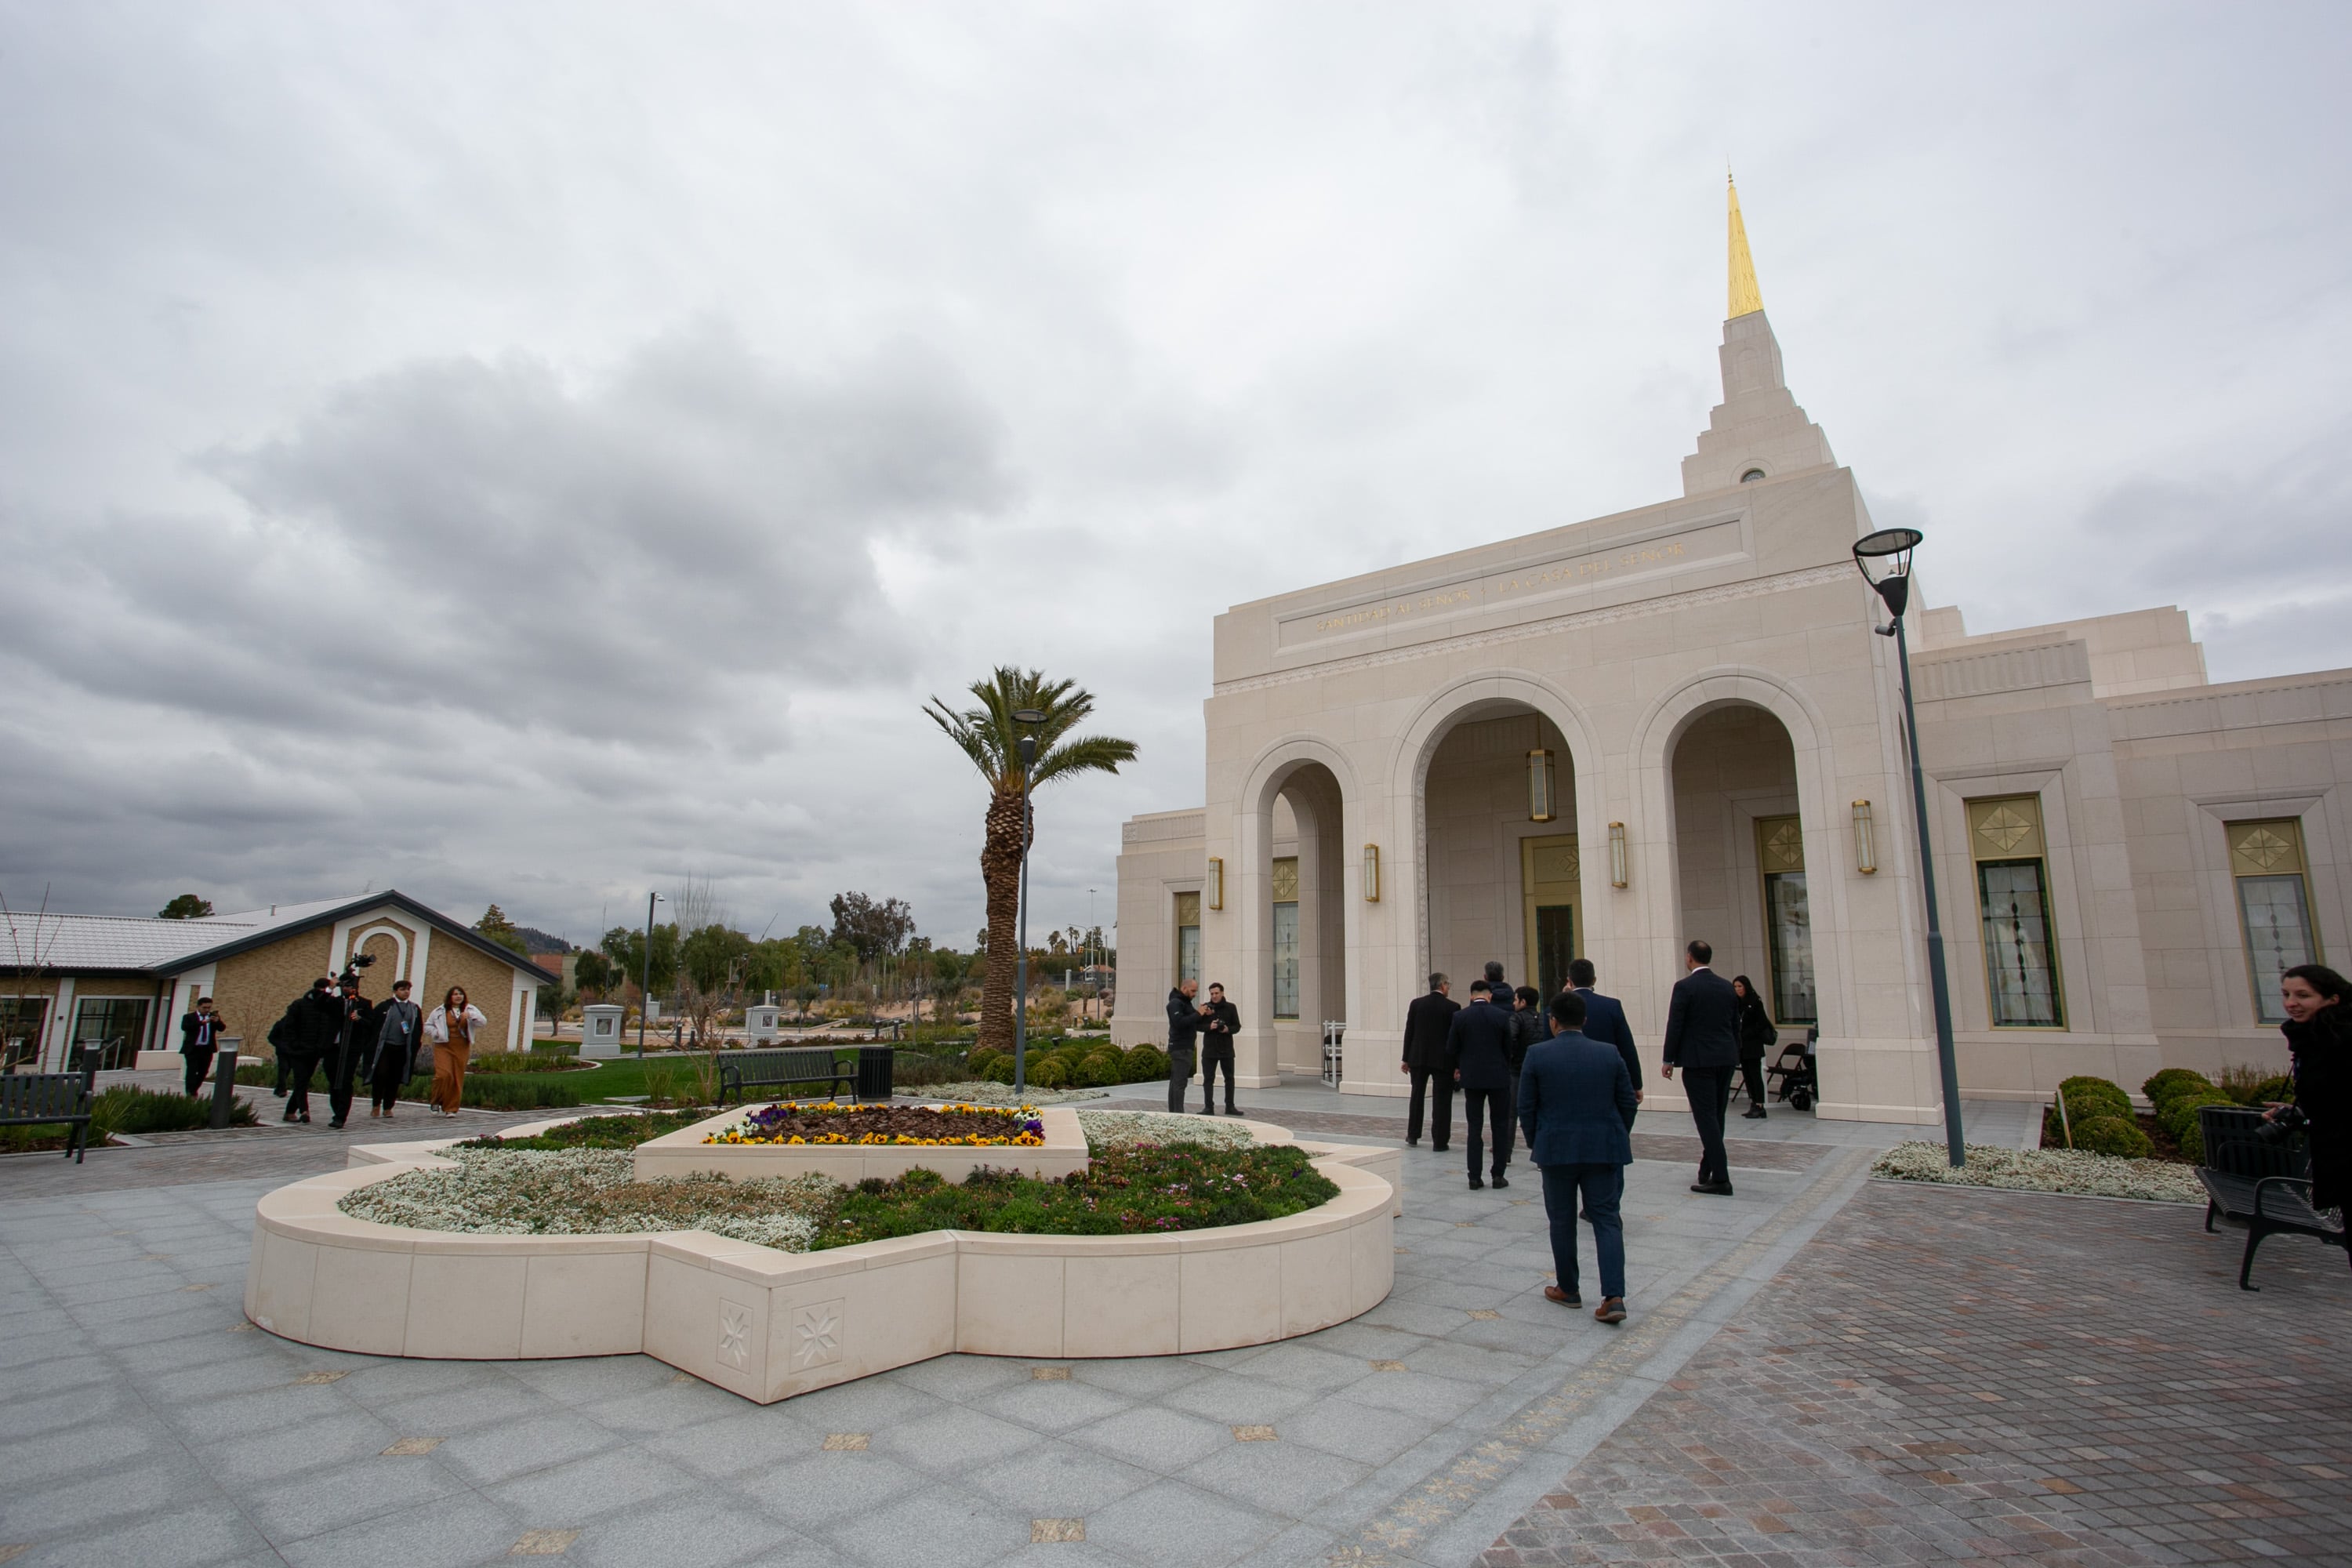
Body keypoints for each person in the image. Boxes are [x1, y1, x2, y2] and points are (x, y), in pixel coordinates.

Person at [1521, 990, 1637, 1324]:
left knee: (1562, 1220)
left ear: (1552, 1022)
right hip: (1603, 1148)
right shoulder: (1609, 1053)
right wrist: (1615, 1133)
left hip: (1556, 1149)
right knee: (1606, 1220)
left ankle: (1568, 1288)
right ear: (1584, 1021)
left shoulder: (1537, 1055)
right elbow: (1627, 1102)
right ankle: (1613, 1295)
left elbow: (1526, 1108)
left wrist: (1537, 1141)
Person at [1661, 938, 1740, 1196]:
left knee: (1706, 1117)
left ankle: (1721, 1176)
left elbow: (1676, 1024)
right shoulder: (1727, 987)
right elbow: (1734, 1025)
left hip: (1698, 1061)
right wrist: (1734, 1052)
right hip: (1725, 1058)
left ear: (1690, 958)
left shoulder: (1685, 987)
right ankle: (1708, 1167)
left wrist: (1668, 1059)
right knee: (1716, 1116)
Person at [2274, 964, 2350, 1220]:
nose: (2291, 1003)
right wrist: (2298, 1115)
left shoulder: (2339, 1040)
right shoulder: (2312, 1038)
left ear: (2332, 999)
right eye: (2286, 995)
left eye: (2303, 996)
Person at [1444, 978, 1517, 1189]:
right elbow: (1508, 1048)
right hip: (1498, 1077)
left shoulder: (1460, 1016)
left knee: (1474, 1127)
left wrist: (1461, 1065)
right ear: (1490, 996)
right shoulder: (1502, 1016)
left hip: (1473, 1078)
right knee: (1500, 1125)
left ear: (1471, 995)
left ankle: (1474, 1177)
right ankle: (1498, 1175)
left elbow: (1451, 1047)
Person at [1566, 959, 1642, 1123]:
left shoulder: (1555, 1009)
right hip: (1605, 1077)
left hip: (1568, 1078)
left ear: (1569, 981)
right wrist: (1636, 1083)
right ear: (1594, 980)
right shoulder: (1611, 1006)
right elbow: (1627, 1047)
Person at [1402, 973, 1458, 1149]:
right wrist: (1457, 1063)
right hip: (1443, 1059)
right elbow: (1455, 1037)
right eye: (1448, 984)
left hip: (1418, 1057)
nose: (1448, 987)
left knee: (1417, 1096)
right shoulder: (1453, 1007)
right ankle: (1440, 1141)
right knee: (1442, 1100)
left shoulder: (1417, 1004)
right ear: (1442, 985)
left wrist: (1406, 1058)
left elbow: (1409, 1032)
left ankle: (1413, 1134)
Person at [276, 978, 343, 1124]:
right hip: (298, 1051)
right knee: (301, 1080)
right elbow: (288, 1028)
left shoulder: (328, 1007)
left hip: (315, 1051)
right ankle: (304, 1111)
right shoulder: (299, 1005)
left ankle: (289, 1112)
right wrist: (294, 1045)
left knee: (304, 1080)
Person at [424, 986, 487, 1117]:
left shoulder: (469, 1009)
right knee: (443, 1075)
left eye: (460, 994)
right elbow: (427, 1026)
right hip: (443, 1045)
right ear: (450, 997)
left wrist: (470, 1015)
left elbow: (482, 1022)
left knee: (457, 1077)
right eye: (455, 994)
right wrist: (437, 1033)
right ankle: (436, 1099)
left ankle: (451, 1108)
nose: (458, 996)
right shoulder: (439, 1011)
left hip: (461, 1046)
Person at [325, 975, 377, 1130]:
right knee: (333, 1079)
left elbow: (371, 1024)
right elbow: (319, 1004)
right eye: (344, 986)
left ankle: (341, 1116)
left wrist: (359, 1019)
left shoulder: (364, 1004)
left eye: (350, 986)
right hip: (333, 1047)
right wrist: (330, 988)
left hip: (352, 1048)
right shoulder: (334, 1002)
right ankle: (336, 1109)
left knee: (345, 1080)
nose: (347, 989)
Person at [368, 979, 423, 1120]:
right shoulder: (386, 1006)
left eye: (408, 989)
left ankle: (388, 1107)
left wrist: (414, 1045)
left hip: (403, 1048)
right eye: (402, 989)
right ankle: (376, 1105)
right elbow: (373, 1025)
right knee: (380, 1075)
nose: (406, 992)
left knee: (394, 1078)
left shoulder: (414, 1009)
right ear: (395, 991)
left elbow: (417, 1029)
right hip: (385, 1047)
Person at [1730, 975, 1777, 1120]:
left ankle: (1760, 1105)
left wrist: (1748, 1033)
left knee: (1755, 1075)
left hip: (1753, 1045)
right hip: (1742, 1046)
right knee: (1748, 1076)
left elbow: (1762, 1022)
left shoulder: (1755, 1002)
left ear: (1746, 987)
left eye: (1740, 986)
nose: (1738, 989)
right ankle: (1753, 1103)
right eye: (1736, 987)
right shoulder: (1737, 1003)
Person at [1199, 982, 1242, 1116]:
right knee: (1208, 1079)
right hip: (1209, 1049)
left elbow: (1237, 1026)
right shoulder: (1205, 1008)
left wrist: (1228, 1029)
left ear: (1222, 993)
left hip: (1226, 1049)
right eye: (1212, 994)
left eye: (1216, 993)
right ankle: (1208, 1107)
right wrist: (1209, 1026)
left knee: (1229, 1078)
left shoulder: (1231, 1007)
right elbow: (1197, 1025)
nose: (1214, 996)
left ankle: (1230, 1106)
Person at [1164, 978, 1203, 1113]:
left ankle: (1175, 1112)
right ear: (1184, 988)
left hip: (1184, 1047)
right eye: (1192, 991)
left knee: (1176, 1082)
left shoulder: (1186, 1003)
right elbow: (1179, 1022)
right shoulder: (1175, 1003)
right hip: (1180, 1048)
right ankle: (1178, 1113)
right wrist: (1198, 1014)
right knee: (1179, 1083)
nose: (1194, 994)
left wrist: (1203, 1016)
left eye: (1196, 991)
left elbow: (1193, 1022)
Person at [177, 996, 224, 1098]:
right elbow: (185, 1027)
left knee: (204, 1072)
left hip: (206, 1049)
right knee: (192, 1071)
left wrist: (217, 1021)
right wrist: (202, 1023)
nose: (207, 1010)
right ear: (198, 1007)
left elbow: (222, 1028)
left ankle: (194, 1090)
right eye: (204, 1008)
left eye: (209, 1008)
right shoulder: (189, 1017)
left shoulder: (213, 1017)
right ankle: (191, 1093)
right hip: (193, 1049)